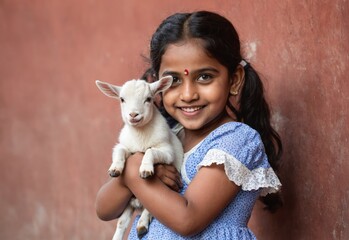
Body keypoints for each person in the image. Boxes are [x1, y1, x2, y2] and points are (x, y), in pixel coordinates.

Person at [96, 11, 283, 239]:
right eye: (174, 80)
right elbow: (104, 209)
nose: (188, 94)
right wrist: (128, 172)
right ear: (158, 85)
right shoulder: (163, 136)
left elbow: (187, 219)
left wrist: (135, 173)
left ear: (234, 80)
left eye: (204, 77)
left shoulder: (236, 141)